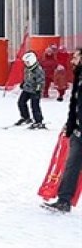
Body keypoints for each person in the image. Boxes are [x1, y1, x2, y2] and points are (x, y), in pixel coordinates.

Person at [43, 48, 82, 213]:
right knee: (71, 166)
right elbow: (74, 105)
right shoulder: (79, 77)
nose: (72, 60)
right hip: (78, 132)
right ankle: (64, 200)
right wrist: (70, 124)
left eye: (76, 57)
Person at [16, 51, 47, 129]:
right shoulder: (27, 68)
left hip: (35, 90)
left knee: (35, 106)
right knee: (21, 102)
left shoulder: (38, 70)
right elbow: (27, 77)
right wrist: (23, 83)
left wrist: (38, 90)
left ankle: (38, 121)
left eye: (27, 62)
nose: (26, 64)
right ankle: (25, 117)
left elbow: (41, 81)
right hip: (27, 89)